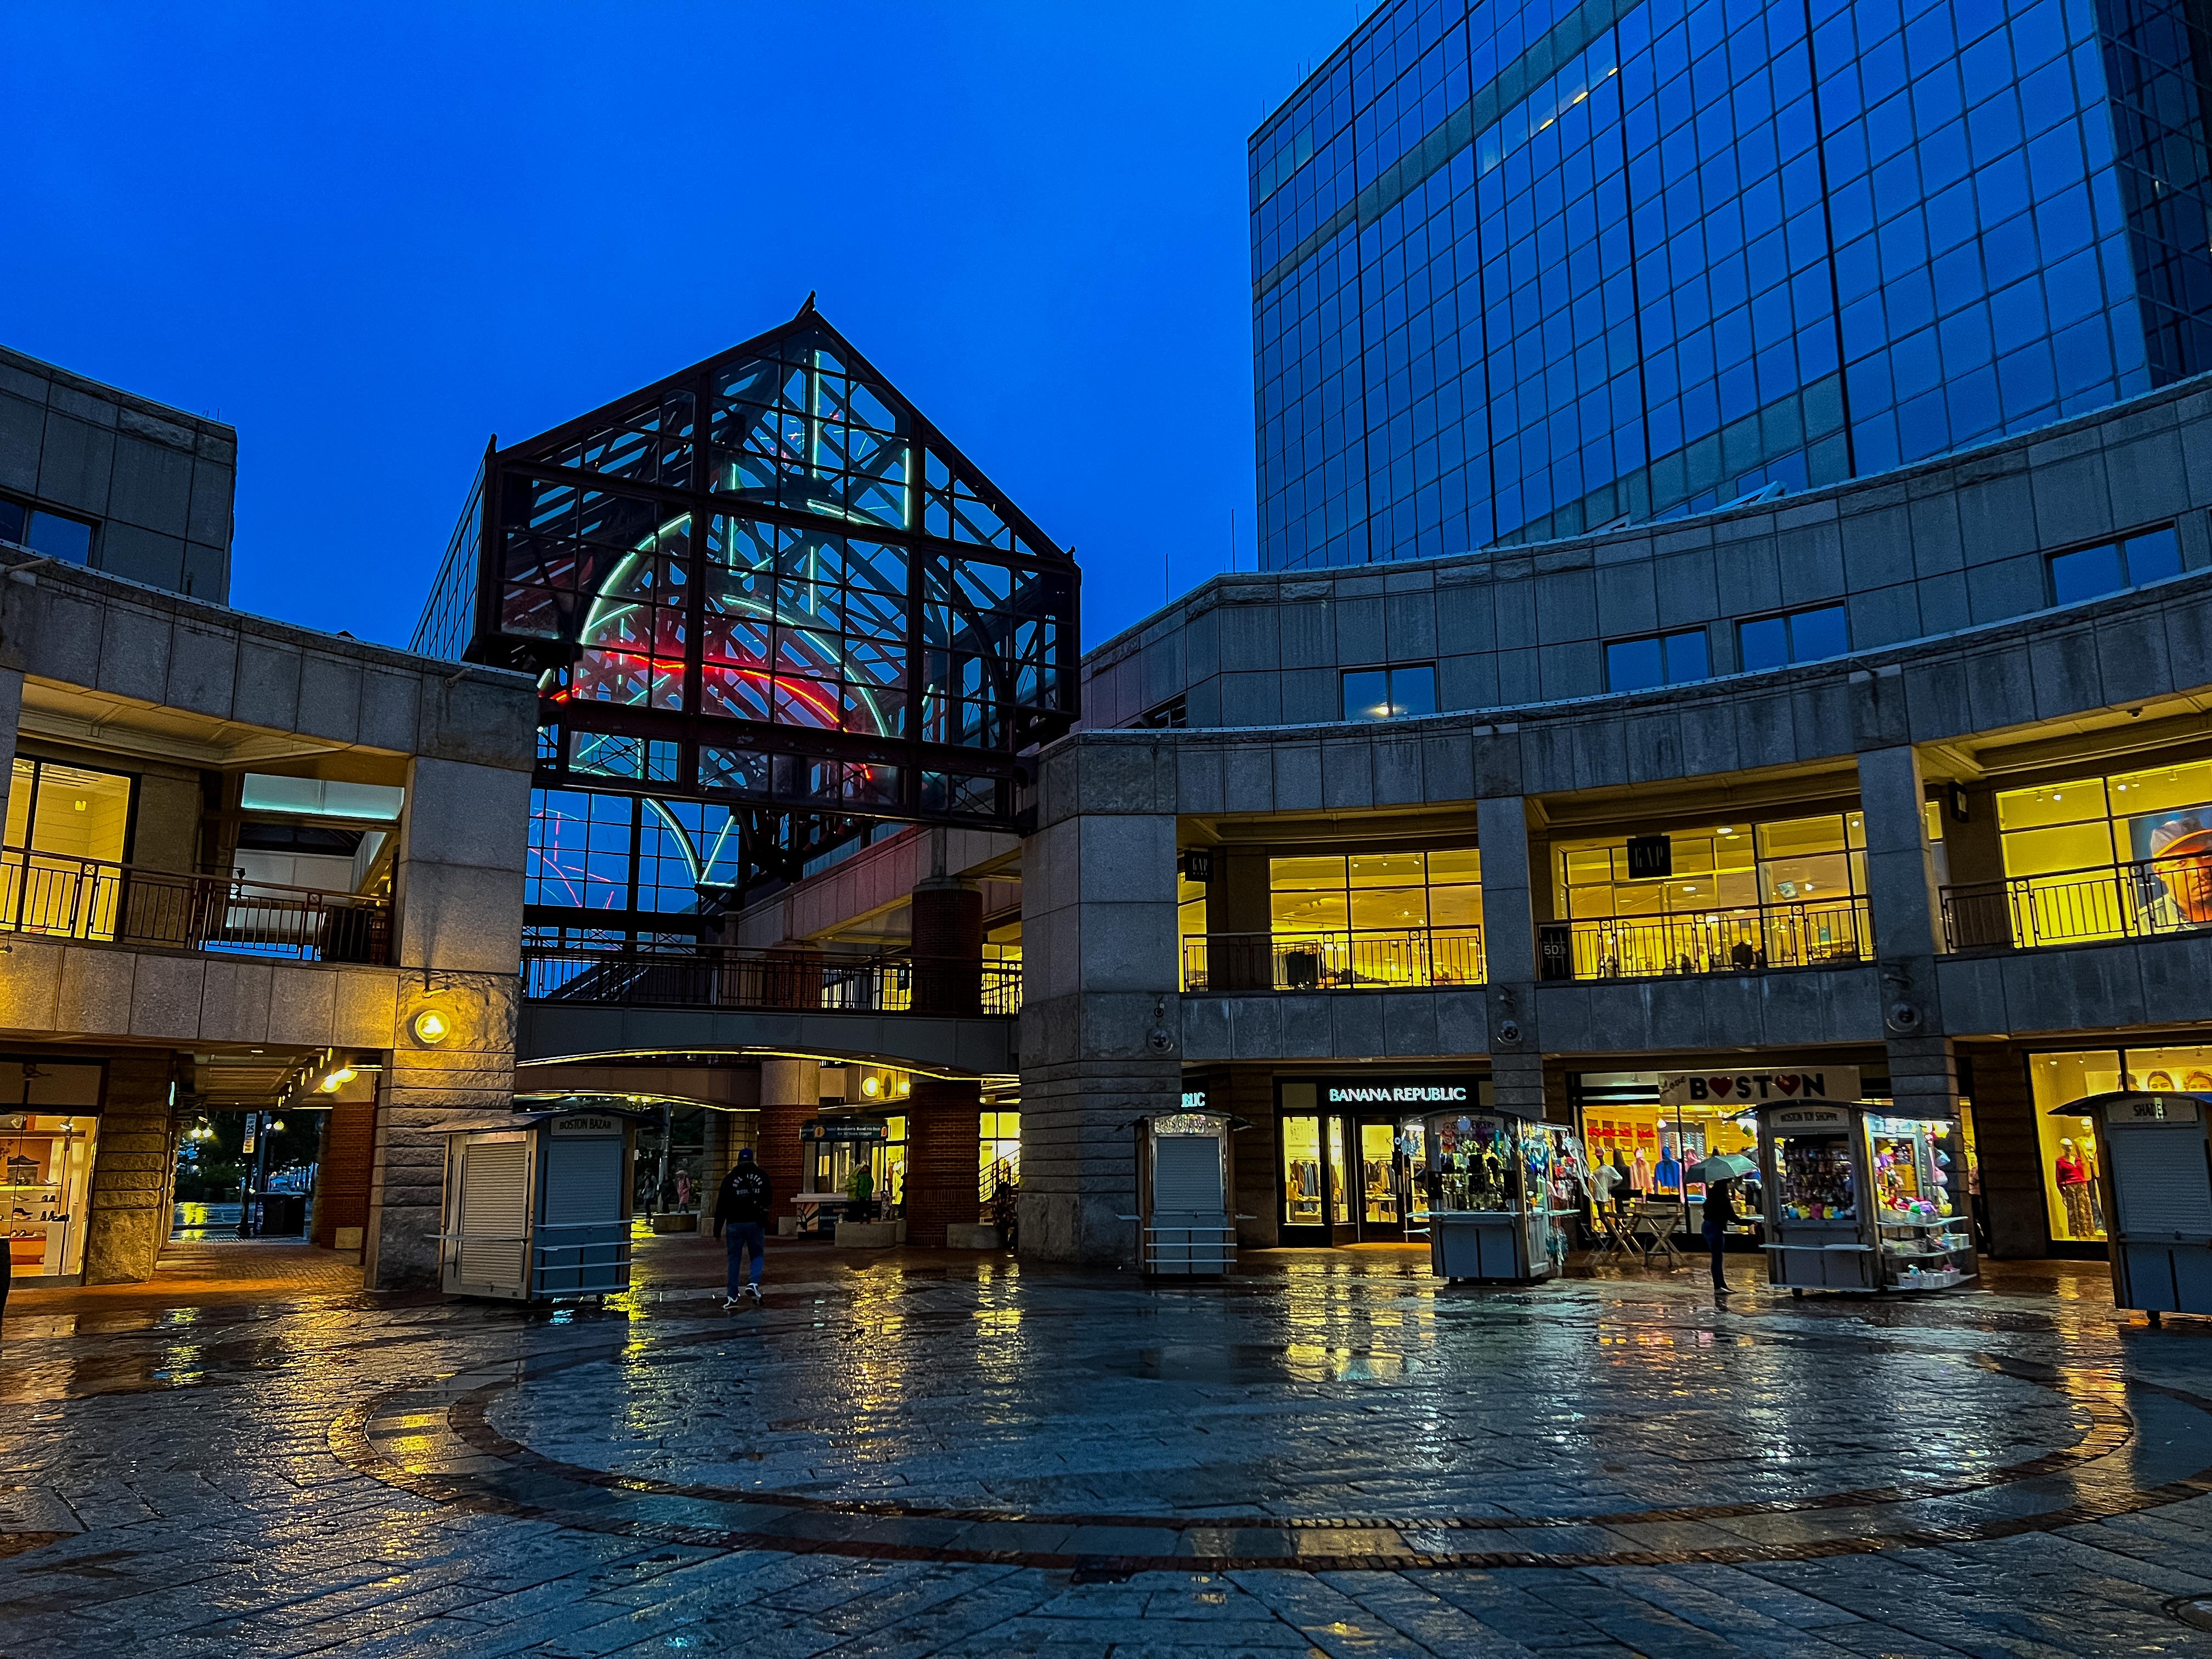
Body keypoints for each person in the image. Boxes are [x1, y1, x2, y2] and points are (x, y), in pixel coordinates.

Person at [713, 1147, 772, 1308]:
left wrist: (717, 1229)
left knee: (734, 1260)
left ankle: (732, 1296)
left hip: (734, 1223)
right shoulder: (762, 1176)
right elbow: (769, 1199)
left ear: (738, 1161)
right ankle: (753, 1283)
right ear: (753, 1160)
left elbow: (721, 1205)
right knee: (757, 1255)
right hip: (755, 1223)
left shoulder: (730, 1178)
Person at [1703, 1176, 1740, 1299]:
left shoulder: (1712, 1194)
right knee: (1717, 1258)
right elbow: (1734, 1218)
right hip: (1715, 1228)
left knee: (1718, 1257)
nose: (1731, 1186)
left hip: (1707, 1226)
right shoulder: (1723, 1199)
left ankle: (1722, 1285)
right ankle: (1718, 1287)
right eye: (1730, 1183)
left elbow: (1705, 1207)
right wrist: (1750, 1222)